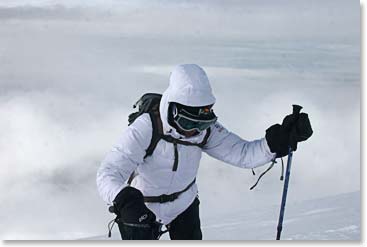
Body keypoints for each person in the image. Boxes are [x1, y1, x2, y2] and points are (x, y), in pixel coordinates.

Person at [96, 64, 313, 240]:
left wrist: (277, 142)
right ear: (172, 109)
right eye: (188, 123)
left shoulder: (205, 130)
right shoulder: (147, 127)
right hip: (142, 207)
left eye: (200, 125)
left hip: (184, 203)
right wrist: (123, 198)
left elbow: (243, 154)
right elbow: (108, 173)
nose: (194, 132)